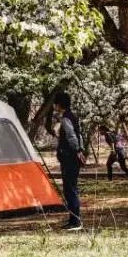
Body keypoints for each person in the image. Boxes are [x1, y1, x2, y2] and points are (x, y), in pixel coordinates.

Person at [54, 92, 84, 231]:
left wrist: (77, 150)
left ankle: (75, 221)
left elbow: (72, 136)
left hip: (69, 157)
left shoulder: (66, 119)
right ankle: (73, 219)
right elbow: (79, 135)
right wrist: (80, 150)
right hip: (73, 157)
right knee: (72, 188)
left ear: (59, 104)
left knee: (69, 189)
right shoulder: (72, 116)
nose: (54, 106)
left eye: (55, 103)